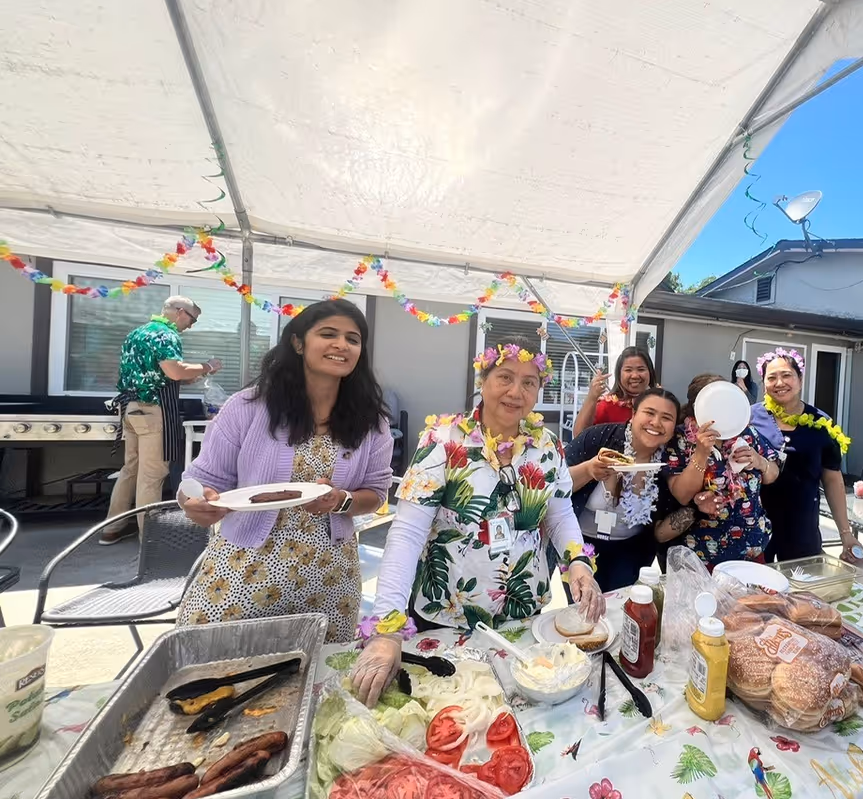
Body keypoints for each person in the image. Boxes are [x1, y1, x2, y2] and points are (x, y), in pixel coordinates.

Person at [353, 339, 605, 706]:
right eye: (505, 377)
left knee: (520, 710)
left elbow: (560, 512)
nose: (516, 391)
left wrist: (579, 562)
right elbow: (406, 534)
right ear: (483, 381)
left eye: (529, 382)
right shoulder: (442, 441)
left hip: (523, 613)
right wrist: (387, 629)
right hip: (448, 615)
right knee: (455, 712)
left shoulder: (548, 446)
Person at [176, 299, 394, 643]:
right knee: (215, 670)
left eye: (353, 339)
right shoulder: (247, 407)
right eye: (328, 334)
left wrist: (340, 501)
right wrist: (197, 503)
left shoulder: (372, 423)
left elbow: (376, 493)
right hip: (243, 570)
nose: (342, 345)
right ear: (297, 342)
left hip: (330, 578)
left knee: (319, 679)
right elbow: (200, 483)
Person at [101, 296, 222, 545]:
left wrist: (190, 376)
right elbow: (175, 371)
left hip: (130, 409)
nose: (191, 325)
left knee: (130, 470)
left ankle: (112, 528)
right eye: (192, 318)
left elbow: (161, 373)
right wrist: (207, 366)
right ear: (180, 312)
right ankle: (151, 538)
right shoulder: (166, 335)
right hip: (152, 410)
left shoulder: (137, 333)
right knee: (152, 474)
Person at [749, 348, 862, 563]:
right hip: (754, 526)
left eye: (786, 375)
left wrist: (846, 534)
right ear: (764, 384)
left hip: (802, 529)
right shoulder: (749, 418)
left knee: (801, 591)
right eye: (771, 377)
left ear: (800, 379)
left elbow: (832, 479)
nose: (779, 382)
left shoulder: (822, 424)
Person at [565, 387, 681, 590]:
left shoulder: (671, 459)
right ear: (634, 415)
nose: (656, 423)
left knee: (620, 609)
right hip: (579, 542)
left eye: (666, 417)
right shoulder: (599, 438)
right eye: (649, 413)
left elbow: (676, 505)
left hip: (631, 549)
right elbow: (554, 484)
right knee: (581, 612)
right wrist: (589, 469)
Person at [659, 373, 780, 567]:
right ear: (698, 405)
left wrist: (760, 462)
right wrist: (701, 452)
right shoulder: (681, 439)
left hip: (751, 548)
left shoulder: (747, 432)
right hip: (700, 555)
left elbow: (772, 474)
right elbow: (682, 495)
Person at [572, 346, 656, 437]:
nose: (635, 375)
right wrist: (591, 397)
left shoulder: (661, 403)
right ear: (619, 374)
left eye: (641, 369)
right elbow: (579, 435)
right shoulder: (607, 405)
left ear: (650, 372)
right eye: (628, 370)